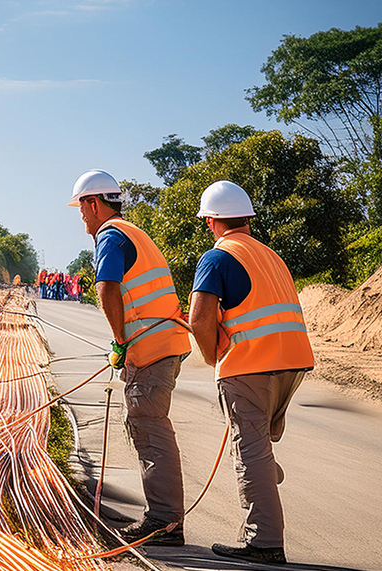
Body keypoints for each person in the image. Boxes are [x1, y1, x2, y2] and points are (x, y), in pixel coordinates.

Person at [188, 181, 313, 565]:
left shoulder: (217, 256)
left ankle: (264, 542)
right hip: (292, 363)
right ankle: (265, 475)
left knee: (250, 448)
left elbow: (199, 317)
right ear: (246, 217)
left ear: (211, 220)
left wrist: (212, 357)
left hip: (250, 363)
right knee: (259, 444)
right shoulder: (270, 255)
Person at [68, 169, 191, 546]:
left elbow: (107, 287)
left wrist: (119, 339)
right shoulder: (135, 232)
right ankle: (165, 518)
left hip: (150, 347)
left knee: (150, 428)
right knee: (148, 425)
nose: (82, 218)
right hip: (165, 343)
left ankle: (165, 522)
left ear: (93, 203)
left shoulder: (110, 235)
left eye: (81, 209)